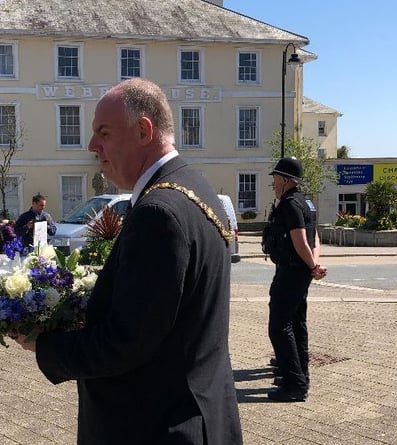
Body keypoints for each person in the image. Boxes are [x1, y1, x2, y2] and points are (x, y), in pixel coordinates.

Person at [14, 78, 242, 444]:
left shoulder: (159, 212)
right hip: (200, 411)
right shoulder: (196, 188)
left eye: (103, 132)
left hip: (154, 425)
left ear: (143, 130)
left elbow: (124, 343)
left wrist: (42, 344)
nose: (92, 146)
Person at [265, 156, 327, 402]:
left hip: (291, 271)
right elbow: (315, 239)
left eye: (275, 178)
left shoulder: (290, 204)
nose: (273, 183)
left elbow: (300, 240)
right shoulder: (306, 202)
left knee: (279, 327)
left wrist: (312, 265)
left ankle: (294, 385)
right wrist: (314, 265)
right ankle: (299, 375)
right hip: (301, 270)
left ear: (286, 180)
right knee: (297, 324)